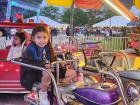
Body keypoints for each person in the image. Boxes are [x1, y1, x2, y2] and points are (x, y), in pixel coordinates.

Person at [21, 26, 76, 105]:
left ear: (48, 38)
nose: (42, 40)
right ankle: (43, 93)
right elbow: (27, 64)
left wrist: (60, 62)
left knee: (72, 73)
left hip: (50, 70)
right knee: (47, 72)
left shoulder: (47, 47)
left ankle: (58, 89)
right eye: (39, 37)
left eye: (44, 37)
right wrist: (43, 64)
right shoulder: (30, 49)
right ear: (33, 38)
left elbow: (52, 59)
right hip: (34, 72)